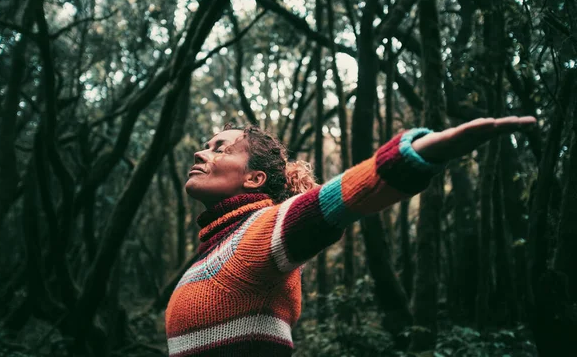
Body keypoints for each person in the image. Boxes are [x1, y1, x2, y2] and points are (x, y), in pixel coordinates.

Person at [164, 116, 536, 356]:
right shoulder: (214, 248)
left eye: (221, 149)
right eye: (207, 145)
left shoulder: (258, 235)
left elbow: (336, 199)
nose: (200, 152)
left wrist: (414, 155)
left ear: (254, 179)